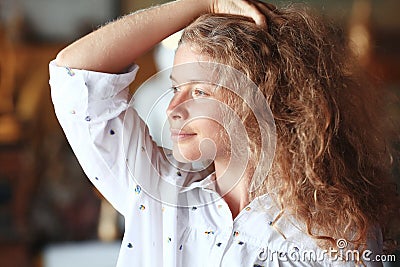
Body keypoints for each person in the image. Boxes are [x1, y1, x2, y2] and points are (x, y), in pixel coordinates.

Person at [49, 0, 399, 266]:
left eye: (199, 91)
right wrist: (203, 3)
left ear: (263, 99)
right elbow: (76, 75)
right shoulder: (155, 191)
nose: (173, 109)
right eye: (175, 89)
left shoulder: (336, 235)